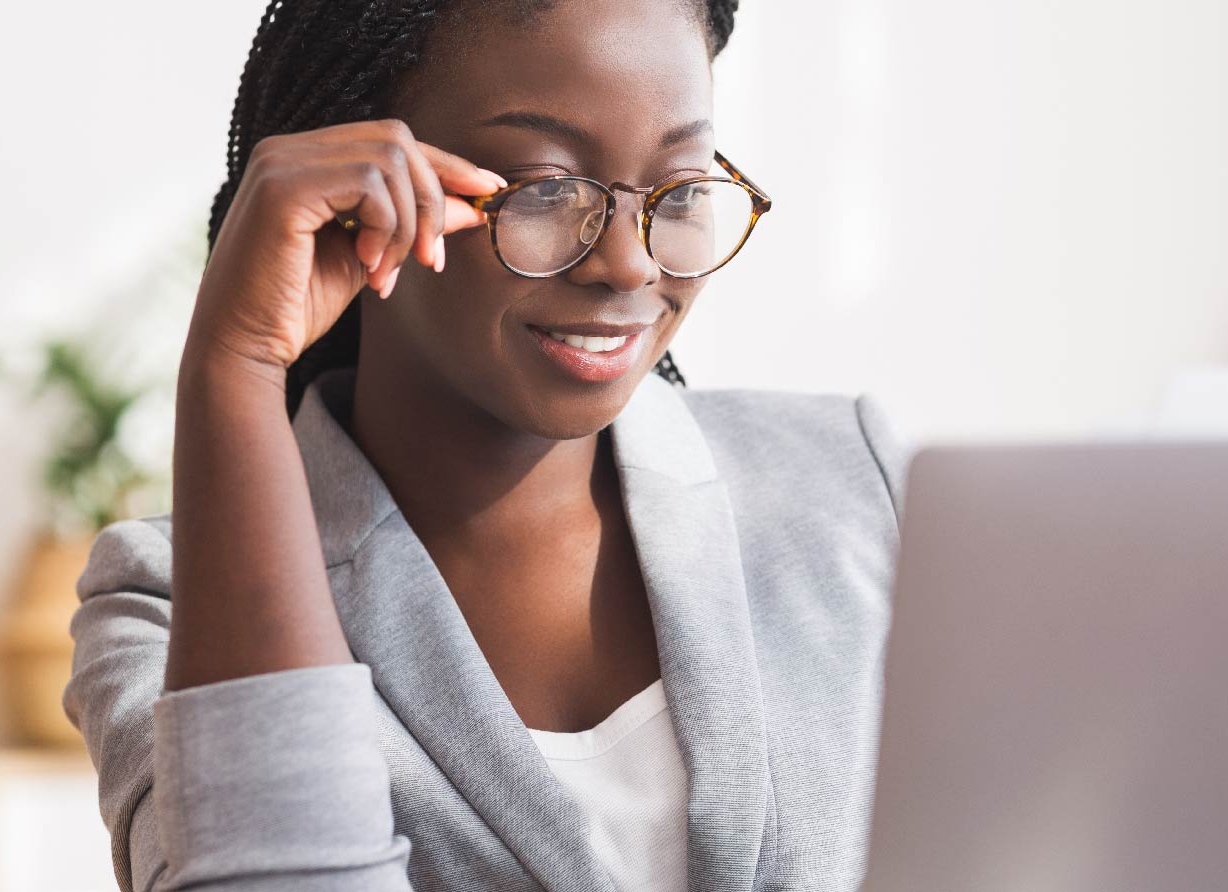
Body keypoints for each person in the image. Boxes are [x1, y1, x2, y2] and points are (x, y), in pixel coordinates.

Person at [61, 0, 908, 889]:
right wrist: (235, 359)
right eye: (544, 186)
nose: (628, 263)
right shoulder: (169, 606)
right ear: (355, 187)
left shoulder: (855, 488)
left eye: (683, 187)